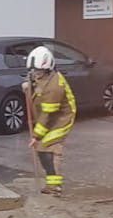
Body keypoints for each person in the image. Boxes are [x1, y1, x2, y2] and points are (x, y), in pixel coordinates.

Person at [26, 45, 76, 195]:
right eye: (34, 71)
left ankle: (55, 186)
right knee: (42, 149)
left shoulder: (55, 86)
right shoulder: (42, 75)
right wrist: (28, 86)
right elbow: (36, 86)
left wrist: (36, 136)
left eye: (39, 72)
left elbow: (47, 115)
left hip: (60, 119)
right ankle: (52, 182)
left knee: (50, 148)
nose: (36, 74)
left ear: (48, 69)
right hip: (49, 116)